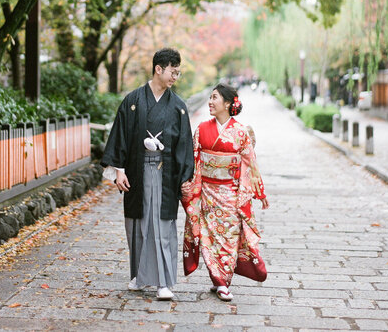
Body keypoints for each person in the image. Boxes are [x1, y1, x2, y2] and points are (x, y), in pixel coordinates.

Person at [101, 48, 194, 300]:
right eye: (173, 72)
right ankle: (139, 277)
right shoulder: (132, 101)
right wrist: (118, 171)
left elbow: (185, 144)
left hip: (165, 175)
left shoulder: (178, 107)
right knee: (137, 224)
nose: (175, 77)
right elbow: (120, 136)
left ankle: (163, 282)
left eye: (178, 72)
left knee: (162, 226)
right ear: (158, 69)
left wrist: (185, 177)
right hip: (137, 170)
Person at [181, 83, 268, 302]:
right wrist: (187, 183)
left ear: (228, 103)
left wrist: (259, 192)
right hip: (208, 193)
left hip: (230, 193)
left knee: (228, 237)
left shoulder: (240, 132)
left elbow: (250, 163)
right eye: (210, 98)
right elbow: (194, 160)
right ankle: (219, 280)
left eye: (215, 98)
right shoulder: (201, 128)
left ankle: (222, 279)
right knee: (209, 237)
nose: (210, 102)